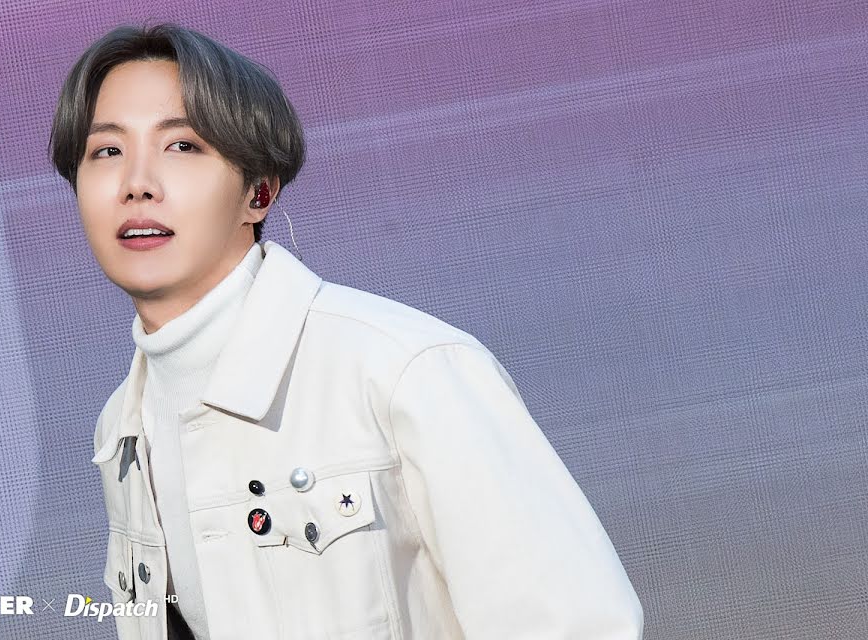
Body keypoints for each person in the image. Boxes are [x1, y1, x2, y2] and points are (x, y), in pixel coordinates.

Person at [49, 22, 644, 640]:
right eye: (107, 152)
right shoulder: (122, 426)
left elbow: (574, 624)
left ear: (259, 191)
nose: (136, 184)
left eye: (182, 146)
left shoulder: (402, 369)